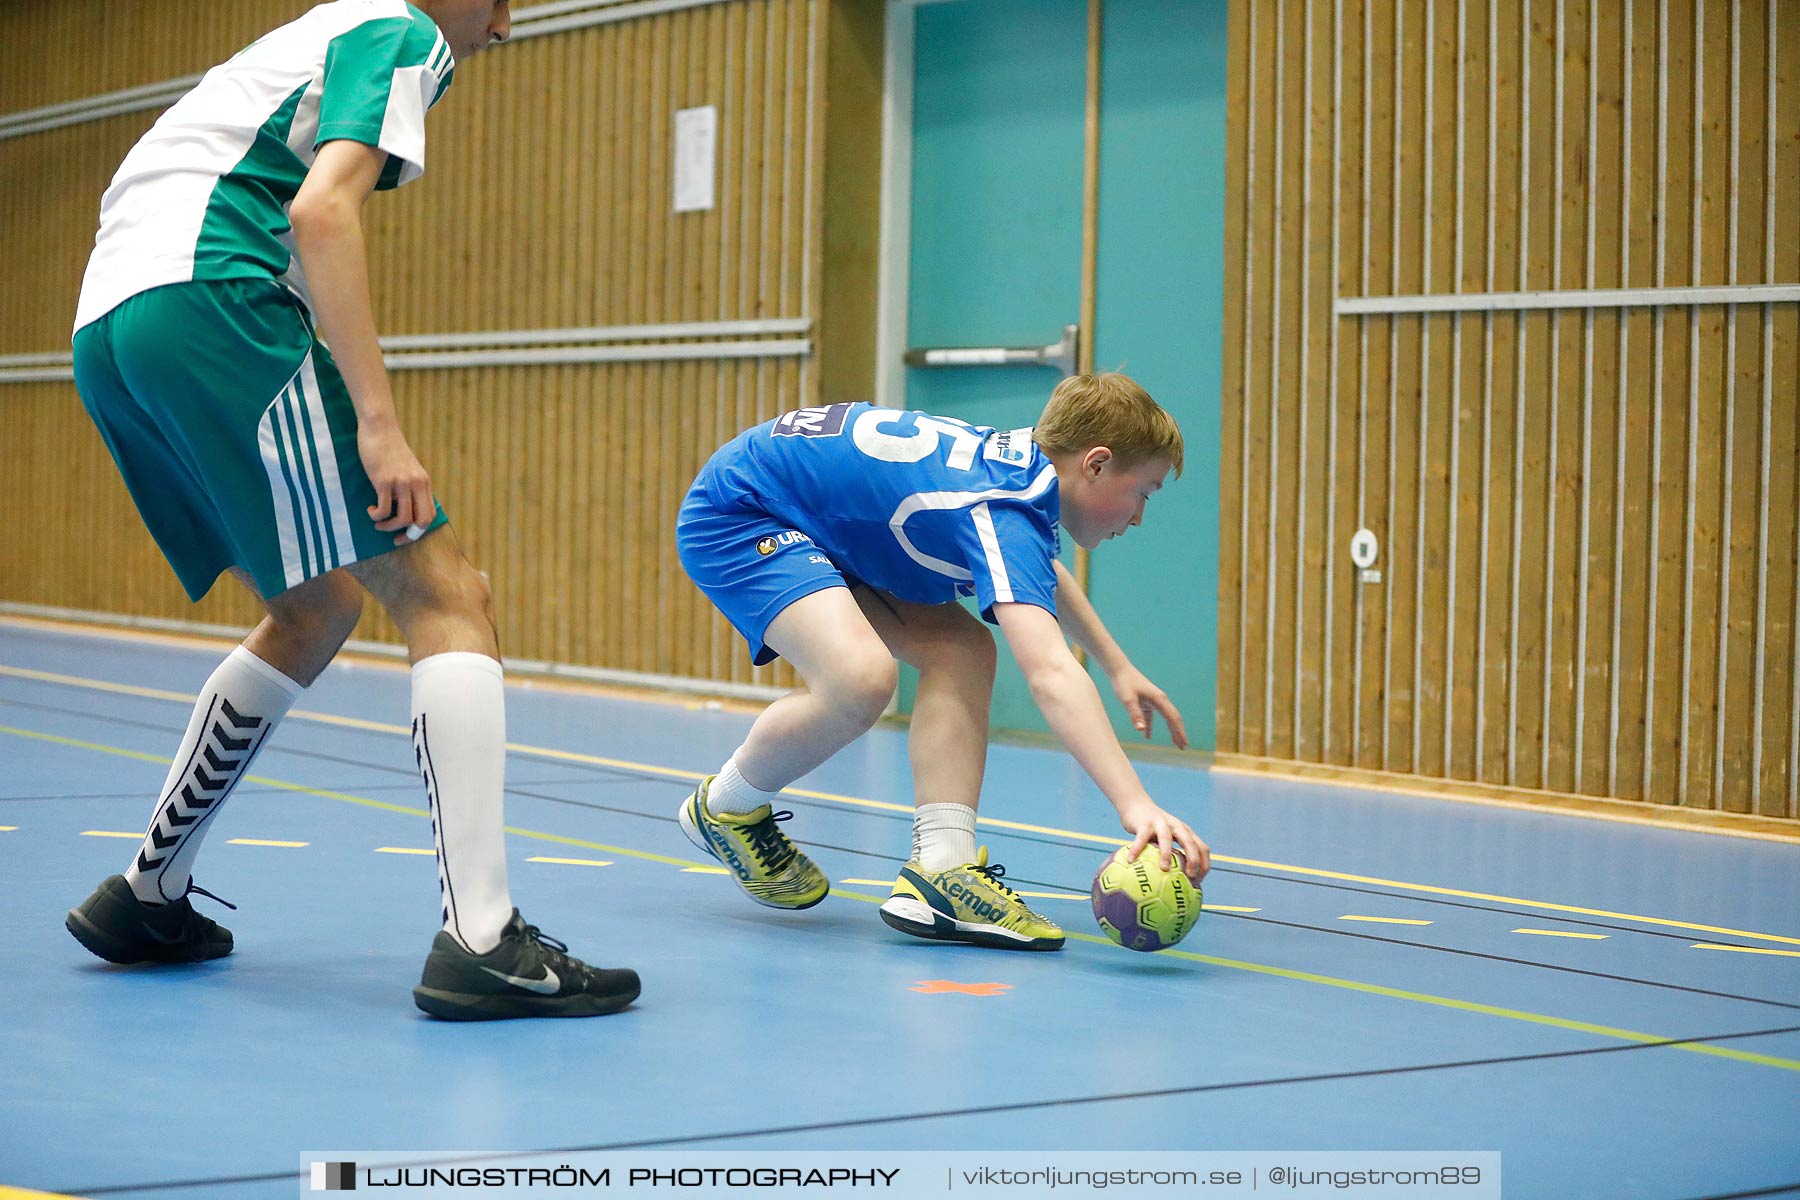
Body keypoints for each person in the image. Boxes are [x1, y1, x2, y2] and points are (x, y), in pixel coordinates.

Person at [62, 0, 639, 1020]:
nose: (504, 26)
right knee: (449, 594)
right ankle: (485, 939)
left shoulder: (293, 45)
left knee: (316, 606)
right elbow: (321, 211)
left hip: (110, 329)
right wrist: (380, 421)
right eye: (502, 0)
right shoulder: (401, 27)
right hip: (211, 297)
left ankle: (149, 894)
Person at [673, 373, 1210, 950]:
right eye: (1145, 492)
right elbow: (1051, 673)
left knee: (962, 650)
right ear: (1096, 464)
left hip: (817, 519)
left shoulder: (1021, 474)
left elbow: (1036, 571)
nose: (1139, 517)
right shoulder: (1002, 503)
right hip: (742, 512)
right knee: (859, 679)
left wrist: (1117, 665)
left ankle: (942, 870)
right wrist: (1136, 806)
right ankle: (726, 806)